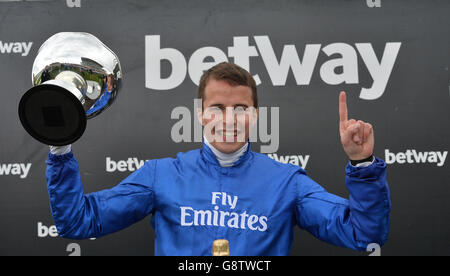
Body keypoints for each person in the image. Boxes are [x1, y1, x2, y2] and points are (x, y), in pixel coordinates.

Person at [46, 62, 391, 256]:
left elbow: (363, 234)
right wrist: (60, 146)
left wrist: (362, 165)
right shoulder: (161, 175)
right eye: (218, 108)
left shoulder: (287, 182)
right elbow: (78, 222)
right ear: (200, 114)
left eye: (240, 109)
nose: (229, 119)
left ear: (256, 116)